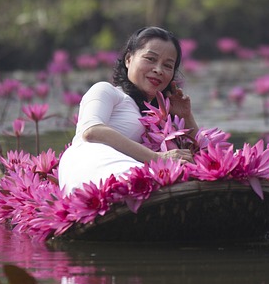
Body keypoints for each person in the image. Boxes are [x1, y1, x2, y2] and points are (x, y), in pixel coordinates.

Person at [58, 26, 198, 193]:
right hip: (91, 162)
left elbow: (201, 154)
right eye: (150, 59)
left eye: (168, 66)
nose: (158, 70)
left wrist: (186, 117)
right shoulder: (106, 90)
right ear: (128, 59)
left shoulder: (159, 116)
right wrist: (157, 158)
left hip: (135, 167)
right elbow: (91, 131)